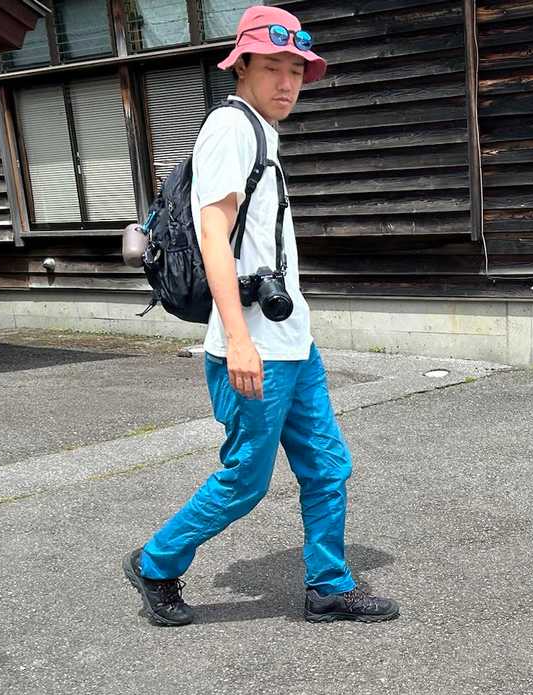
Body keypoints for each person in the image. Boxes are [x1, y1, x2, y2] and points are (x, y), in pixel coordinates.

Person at [124, 6, 399, 627]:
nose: (286, 83)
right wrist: (239, 340)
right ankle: (156, 562)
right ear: (241, 66)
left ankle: (328, 586)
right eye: (273, 67)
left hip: (293, 343)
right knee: (246, 479)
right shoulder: (230, 128)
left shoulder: (262, 133)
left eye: (296, 72)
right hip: (254, 348)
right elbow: (213, 235)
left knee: (327, 466)